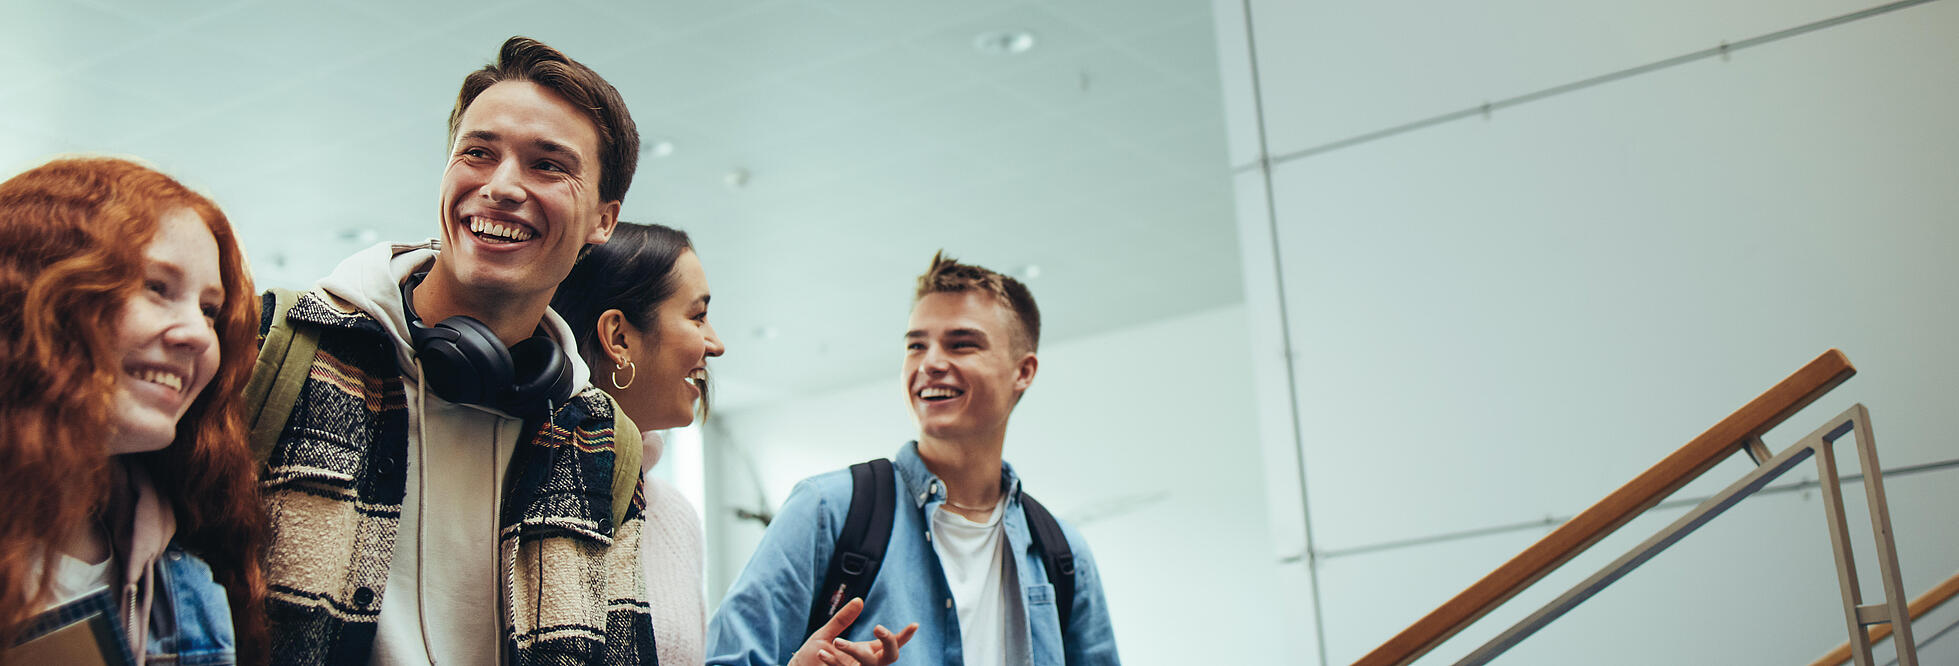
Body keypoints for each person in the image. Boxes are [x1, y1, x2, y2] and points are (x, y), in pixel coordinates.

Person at [251, 37, 653, 663]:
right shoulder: (277, 347)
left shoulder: (603, 445)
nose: (500, 186)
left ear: (604, 220)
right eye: (477, 153)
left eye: (548, 165)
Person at [706, 252, 1121, 665]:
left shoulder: (1063, 553)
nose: (931, 363)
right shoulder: (825, 509)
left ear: (1023, 371)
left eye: (961, 344)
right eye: (917, 345)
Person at [553, 222, 916, 666]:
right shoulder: (521, 489)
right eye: (697, 316)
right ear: (619, 338)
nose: (716, 344)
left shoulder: (674, 517)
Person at [0, 157, 268, 664]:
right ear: (35, 295)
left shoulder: (185, 578)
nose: (196, 334)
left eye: (209, 310)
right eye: (156, 288)